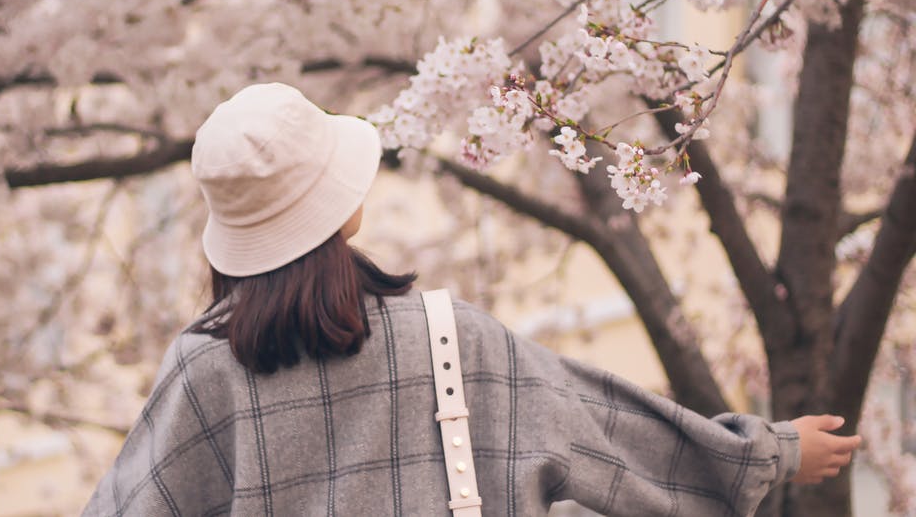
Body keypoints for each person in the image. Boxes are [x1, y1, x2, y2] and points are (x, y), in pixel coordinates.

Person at [81, 83, 861, 516]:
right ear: (346, 208)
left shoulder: (202, 375)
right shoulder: (452, 341)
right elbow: (614, 439)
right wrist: (774, 450)